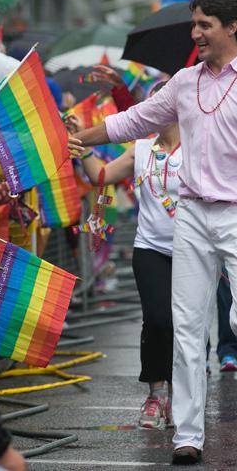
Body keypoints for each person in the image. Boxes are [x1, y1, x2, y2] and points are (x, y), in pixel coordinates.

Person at [69, 0, 237, 464]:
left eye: (203, 24)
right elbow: (131, 122)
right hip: (193, 215)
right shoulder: (184, 82)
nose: (195, 32)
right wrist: (75, 136)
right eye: (194, 23)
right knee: (186, 327)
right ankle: (187, 435)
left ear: (231, 28)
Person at [78, 81, 180, 430]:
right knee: (157, 319)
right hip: (150, 247)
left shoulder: (200, 147)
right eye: (151, 104)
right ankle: (156, 395)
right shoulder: (141, 149)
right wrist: (82, 147)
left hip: (193, 250)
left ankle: (183, 395)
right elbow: (102, 176)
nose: (155, 110)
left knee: (188, 326)